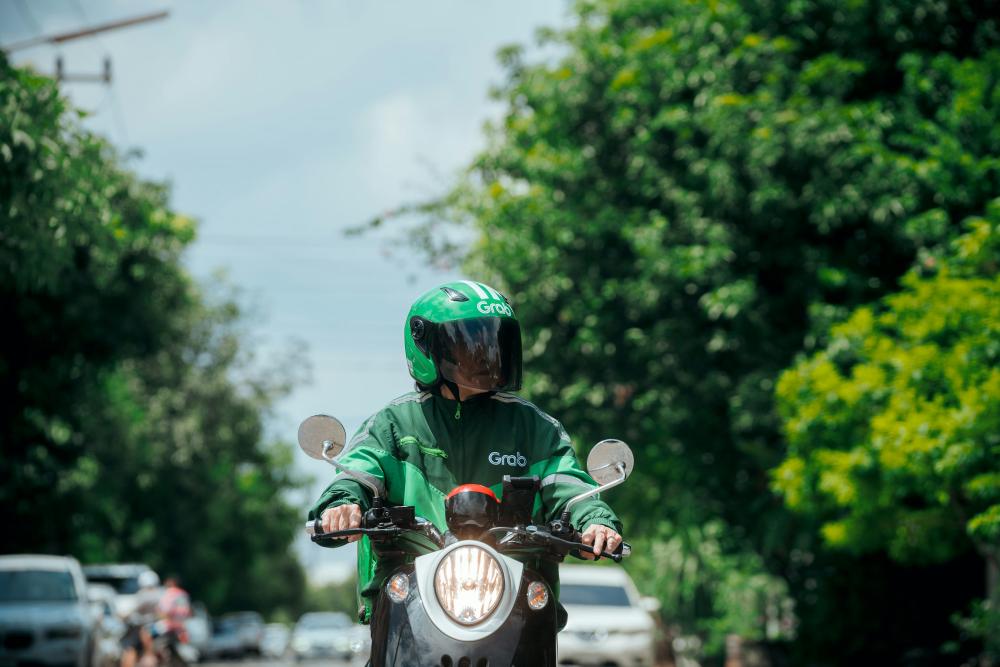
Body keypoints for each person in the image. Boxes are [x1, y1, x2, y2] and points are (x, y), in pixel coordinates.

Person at [308, 280, 624, 627]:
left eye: (494, 341)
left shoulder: (533, 426)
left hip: (513, 596)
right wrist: (342, 505)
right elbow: (357, 472)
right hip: (411, 597)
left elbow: (567, 483)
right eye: (470, 344)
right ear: (425, 347)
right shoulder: (394, 424)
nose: (486, 355)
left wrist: (594, 519)